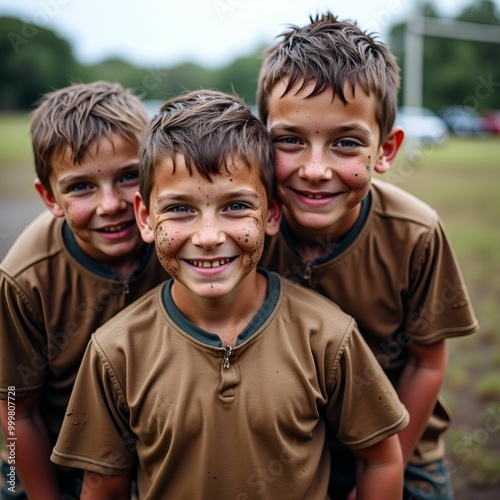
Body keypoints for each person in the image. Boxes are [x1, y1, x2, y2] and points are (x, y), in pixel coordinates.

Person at [50, 89, 409, 499]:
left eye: (236, 206)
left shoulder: (327, 335)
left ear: (271, 213)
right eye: (180, 209)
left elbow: (381, 457)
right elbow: (103, 486)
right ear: (146, 218)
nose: (207, 237)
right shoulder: (115, 353)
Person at [256, 11, 479, 500]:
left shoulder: (415, 233)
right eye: (290, 140)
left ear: (386, 150)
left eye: (346, 144)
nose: (315, 169)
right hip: (285, 452)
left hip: (400, 442)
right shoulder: (242, 230)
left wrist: (386, 467)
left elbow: (426, 364)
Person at [0, 81, 170, 499]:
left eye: (129, 176)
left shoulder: (183, 245)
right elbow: (13, 410)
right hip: (63, 468)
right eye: (80, 187)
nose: (109, 204)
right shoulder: (25, 278)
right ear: (50, 198)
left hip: (160, 456)